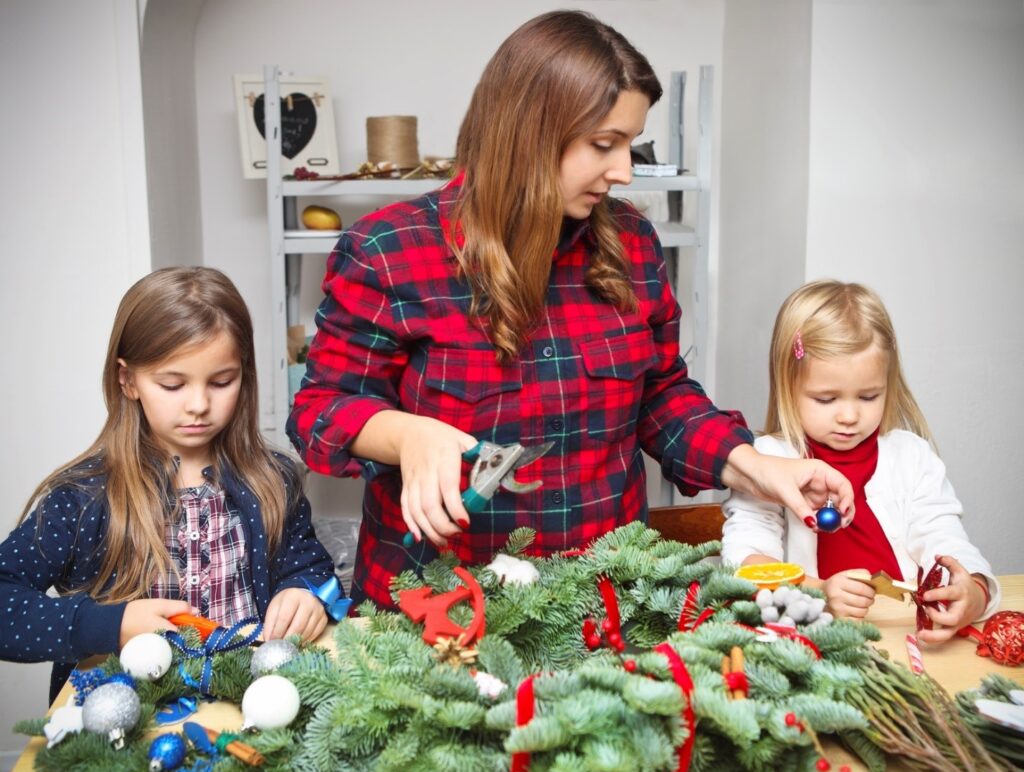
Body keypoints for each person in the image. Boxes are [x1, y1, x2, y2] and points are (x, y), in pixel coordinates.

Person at [288, 10, 853, 609]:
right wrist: (406, 436)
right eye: (603, 145)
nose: (624, 171)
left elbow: (661, 396)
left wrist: (754, 466)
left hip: (604, 605)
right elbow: (320, 410)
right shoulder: (389, 250)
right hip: (440, 610)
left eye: (629, 143)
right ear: (527, 131)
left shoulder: (632, 242)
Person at [0, 267, 337, 701]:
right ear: (128, 381)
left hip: (249, 711)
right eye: (172, 384)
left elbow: (308, 566)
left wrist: (305, 593)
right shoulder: (85, 496)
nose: (199, 405)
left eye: (221, 381)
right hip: (126, 727)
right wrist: (111, 625)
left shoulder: (273, 479)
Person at [721, 280, 1000, 642]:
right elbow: (744, 560)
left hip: (903, 638)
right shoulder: (767, 462)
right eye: (826, 399)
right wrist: (814, 591)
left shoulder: (911, 456)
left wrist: (974, 592)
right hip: (812, 645)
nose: (850, 415)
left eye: (868, 396)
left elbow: (945, 538)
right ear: (788, 386)